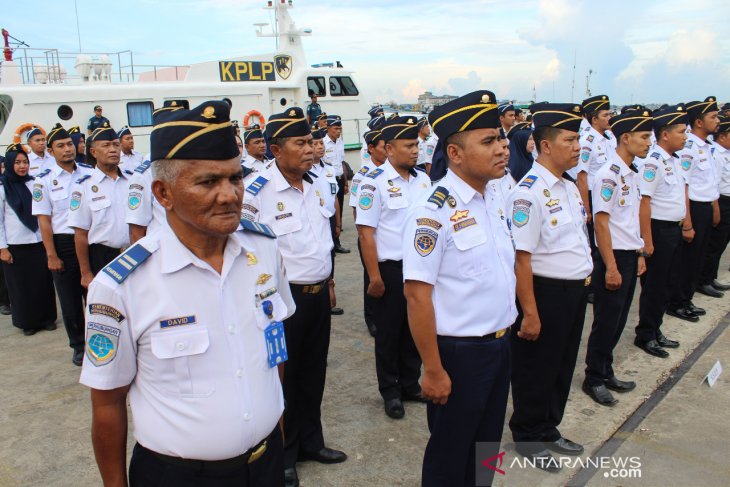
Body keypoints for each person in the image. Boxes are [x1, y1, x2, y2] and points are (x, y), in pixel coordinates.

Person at [79, 100, 290, 487]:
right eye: (208, 182)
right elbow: (107, 402)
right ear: (163, 193)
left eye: (234, 178)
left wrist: (274, 428)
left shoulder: (265, 251)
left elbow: (273, 352)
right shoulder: (120, 286)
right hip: (178, 476)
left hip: (267, 464)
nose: (229, 195)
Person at [404, 90, 515, 487]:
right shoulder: (432, 210)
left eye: (501, 138)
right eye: (488, 141)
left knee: (488, 449)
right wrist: (432, 369)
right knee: (450, 456)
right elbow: (417, 295)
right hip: (459, 353)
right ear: (454, 153)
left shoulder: (494, 196)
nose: (502, 148)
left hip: (500, 344)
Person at [242, 107, 346, 487]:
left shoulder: (318, 181)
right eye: (300, 143)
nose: (310, 149)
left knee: (313, 373)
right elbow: (248, 253)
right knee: (282, 380)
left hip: (318, 297)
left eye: (310, 142)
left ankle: (311, 442)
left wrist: (330, 281)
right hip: (281, 303)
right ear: (275, 148)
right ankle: (283, 454)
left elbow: (322, 243)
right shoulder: (257, 191)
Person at [507, 103, 593, 471]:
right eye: (570, 140)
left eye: (579, 139)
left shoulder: (569, 188)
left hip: (573, 291)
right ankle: (527, 436)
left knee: (561, 365)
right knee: (536, 368)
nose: (578, 147)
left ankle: (548, 427)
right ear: (545, 145)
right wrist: (529, 312)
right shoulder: (528, 193)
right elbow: (520, 259)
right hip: (545, 293)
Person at [356, 115, 432, 420]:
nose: (416, 150)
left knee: (415, 329)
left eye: (417, 144)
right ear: (388, 148)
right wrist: (374, 276)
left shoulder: (423, 180)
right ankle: (390, 391)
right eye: (409, 145)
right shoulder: (373, 183)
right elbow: (365, 233)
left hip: (419, 268)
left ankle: (411, 383)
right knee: (388, 333)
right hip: (390, 268)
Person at [583, 111, 652, 406]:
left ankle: (606, 369)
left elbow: (630, 221)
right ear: (626, 138)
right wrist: (610, 266)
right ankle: (593, 378)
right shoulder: (608, 175)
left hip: (627, 254)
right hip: (612, 257)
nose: (649, 143)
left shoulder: (630, 171)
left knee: (620, 319)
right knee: (606, 321)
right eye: (645, 137)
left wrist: (638, 253)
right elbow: (601, 223)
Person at [32, 124, 93, 365]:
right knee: (69, 300)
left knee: (96, 296)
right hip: (64, 244)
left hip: (90, 241)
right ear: (50, 150)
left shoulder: (89, 172)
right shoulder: (43, 181)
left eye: (69, 144)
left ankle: (102, 341)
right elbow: (44, 221)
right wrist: (51, 254)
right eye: (60, 146)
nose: (67, 149)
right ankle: (78, 345)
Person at [634, 104, 689, 357]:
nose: (685, 136)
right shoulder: (652, 162)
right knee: (655, 286)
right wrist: (647, 240)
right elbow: (644, 201)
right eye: (680, 131)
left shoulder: (673, 160)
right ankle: (646, 335)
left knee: (668, 282)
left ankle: (656, 329)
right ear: (665, 134)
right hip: (658, 230)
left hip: (673, 230)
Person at [668, 97, 721, 317]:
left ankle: (687, 299)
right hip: (694, 209)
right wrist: (687, 221)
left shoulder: (704, 146)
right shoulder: (689, 147)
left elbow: (709, 181)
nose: (717, 121)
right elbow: (685, 185)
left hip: (705, 206)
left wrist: (714, 206)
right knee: (688, 260)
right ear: (699, 122)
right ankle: (678, 302)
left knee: (698, 257)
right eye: (713, 117)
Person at [0, 143, 57, 336]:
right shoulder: (3, 188)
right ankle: (28, 322)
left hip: (39, 241)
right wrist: (3, 248)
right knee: (21, 286)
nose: (22, 166)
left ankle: (47, 318)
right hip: (16, 244)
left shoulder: (35, 184)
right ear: (9, 165)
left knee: (43, 282)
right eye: (17, 163)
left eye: (25, 162)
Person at [68, 123, 131, 286]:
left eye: (116, 145)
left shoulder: (132, 181)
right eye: (106, 145)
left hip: (134, 253)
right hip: (103, 257)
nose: (113, 149)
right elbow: (80, 234)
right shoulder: (83, 186)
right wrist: (86, 272)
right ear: (93, 152)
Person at [351, 129, 387, 338]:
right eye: (383, 146)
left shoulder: (391, 172)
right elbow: (357, 209)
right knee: (371, 278)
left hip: (388, 237)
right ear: (372, 149)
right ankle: (371, 317)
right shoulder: (362, 176)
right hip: (369, 235)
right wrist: (364, 236)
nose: (386, 151)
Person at [310, 125, 344, 316]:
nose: (320, 147)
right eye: (315, 144)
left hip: (330, 219)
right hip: (316, 221)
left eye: (321, 144)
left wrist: (338, 223)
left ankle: (329, 293)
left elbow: (335, 200)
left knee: (330, 257)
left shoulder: (329, 170)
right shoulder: (306, 172)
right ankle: (322, 298)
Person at [699, 115, 730, 293]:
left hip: (726, 200)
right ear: (723, 136)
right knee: (714, 244)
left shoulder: (724, 152)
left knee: (721, 244)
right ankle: (704, 279)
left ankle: (711, 277)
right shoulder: (716, 153)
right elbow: (714, 183)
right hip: (721, 201)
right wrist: (716, 207)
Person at [323, 115, 350, 254]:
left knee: (339, 211)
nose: (338, 131)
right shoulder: (322, 143)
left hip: (339, 179)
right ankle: (331, 242)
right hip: (328, 182)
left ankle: (337, 242)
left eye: (340, 128)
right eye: (336, 128)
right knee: (330, 211)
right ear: (328, 129)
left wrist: (345, 182)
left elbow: (342, 163)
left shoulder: (340, 142)